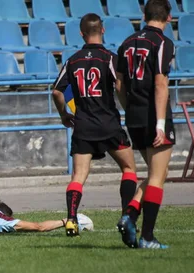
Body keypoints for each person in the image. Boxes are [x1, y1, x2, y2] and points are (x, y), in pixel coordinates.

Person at [52, 13, 138, 238]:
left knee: (79, 176)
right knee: (129, 169)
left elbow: (56, 91)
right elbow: (119, 85)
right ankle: (126, 217)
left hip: (83, 126)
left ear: (81, 33)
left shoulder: (73, 60)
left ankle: (71, 219)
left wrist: (64, 114)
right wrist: (127, 107)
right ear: (103, 30)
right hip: (109, 123)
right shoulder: (110, 58)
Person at [115, 0, 175, 249]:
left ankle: (130, 215)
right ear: (169, 17)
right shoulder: (163, 42)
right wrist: (160, 124)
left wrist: (129, 108)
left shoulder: (126, 43)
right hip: (153, 114)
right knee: (158, 177)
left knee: (154, 173)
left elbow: (119, 85)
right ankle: (147, 236)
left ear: (144, 14)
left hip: (134, 116)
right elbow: (161, 84)